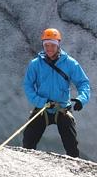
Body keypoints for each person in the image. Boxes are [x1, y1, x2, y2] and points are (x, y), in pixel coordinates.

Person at [22, 28, 90, 157]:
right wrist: (42, 102)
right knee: (28, 142)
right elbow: (28, 85)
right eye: (46, 45)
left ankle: (73, 172)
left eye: (52, 45)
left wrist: (82, 99)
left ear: (58, 45)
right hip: (43, 108)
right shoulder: (36, 64)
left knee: (71, 146)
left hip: (62, 109)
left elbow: (83, 83)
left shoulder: (70, 63)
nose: (49, 48)